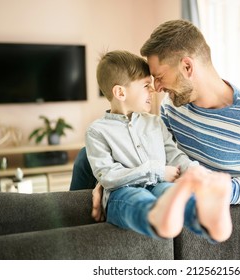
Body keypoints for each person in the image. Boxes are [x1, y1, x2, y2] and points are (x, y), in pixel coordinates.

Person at [79, 19, 240, 224]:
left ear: (187, 66)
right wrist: (108, 184)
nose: (156, 88)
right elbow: (147, 151)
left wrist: (218, 189)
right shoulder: (172, 106)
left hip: (195, 200)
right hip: (168, 186)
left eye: (158, 77)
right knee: (85, 157)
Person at [85, 50, 232, 242]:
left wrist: (197, 173)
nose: (153, 89)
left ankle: (207, 221)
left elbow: (174, 155)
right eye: (146, 85)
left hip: (160, 185)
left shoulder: (155, 122)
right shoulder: (97, 131)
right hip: (122, 192)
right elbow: (109, 176)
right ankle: (156, 217)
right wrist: (156, 171)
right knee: (134, 197)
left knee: (168, 192)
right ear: (120, 92)